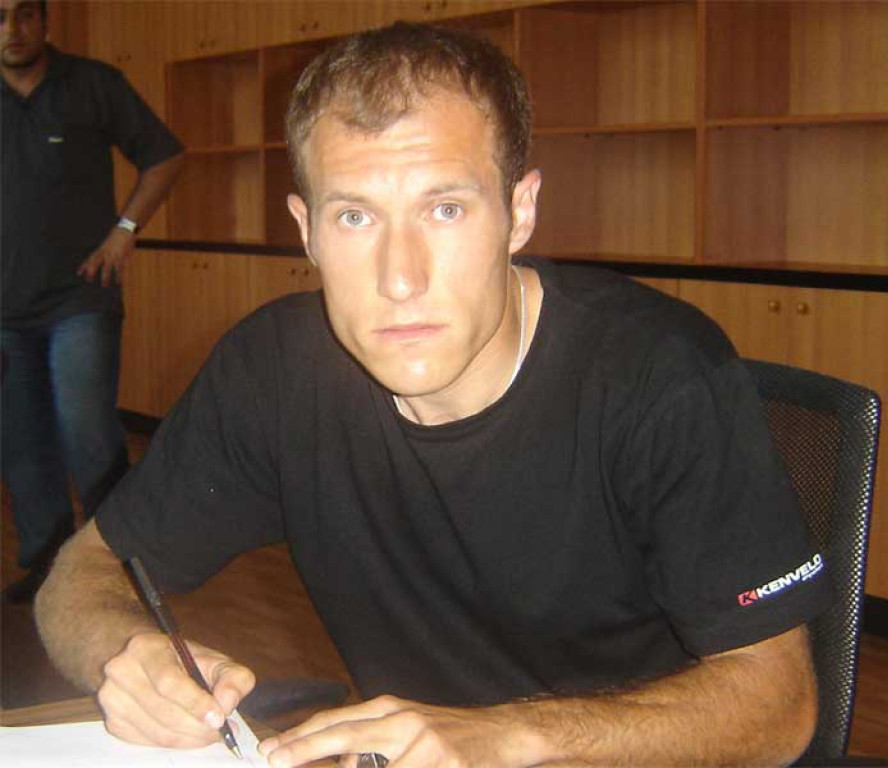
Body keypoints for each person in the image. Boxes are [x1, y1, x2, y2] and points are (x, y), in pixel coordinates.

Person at [36, 21, 832, 766]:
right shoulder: (274, 372)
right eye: (355, 217)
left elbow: (781, 704)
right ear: (306, 230)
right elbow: (81, 575)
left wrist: (506, 738)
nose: (400, 278)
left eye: (445, 209)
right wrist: (126, 655)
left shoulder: (657, 374)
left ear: (519, 211)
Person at [0, 0, 184, 602]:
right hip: (5, 311)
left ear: (45, 21)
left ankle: (119, 570)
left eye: (24, 14)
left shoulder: (92, 84)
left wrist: (124, 231)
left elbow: (164, 155)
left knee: (90, 437)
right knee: (22, 445)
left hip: (81, 299)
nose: (11, 30)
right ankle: (48, 571)